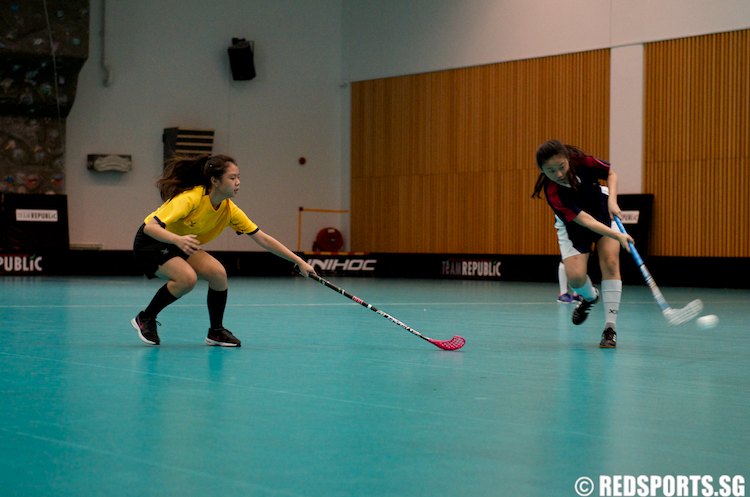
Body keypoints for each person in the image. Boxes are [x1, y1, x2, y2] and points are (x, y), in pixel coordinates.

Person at [131, 154, 316, 347]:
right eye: (232, 177)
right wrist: (178, 239)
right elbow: (150, 228)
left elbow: (263, 239)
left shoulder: (229, 210)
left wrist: (300, 262)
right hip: (152, 243)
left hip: (182, 243)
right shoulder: (191, 198)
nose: (238, 182)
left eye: (238, 177)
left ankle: (216, 331)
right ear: (215, 181)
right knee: (187, 279)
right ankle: (145, 318)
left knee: (218, 274)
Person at [532, 140, 633, 348]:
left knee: (611, 262)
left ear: (567, 159)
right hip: (574, 226)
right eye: (551, 171)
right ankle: (589, 297)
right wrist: (618, 236)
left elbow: (611, 172)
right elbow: (585, 221)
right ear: (542, 170)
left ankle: (610, 328)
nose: (558, 174)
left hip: (603, 210)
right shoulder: (553, 193)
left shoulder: (582, 162)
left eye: (561, 167)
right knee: (576, 278)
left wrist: (612, 200)